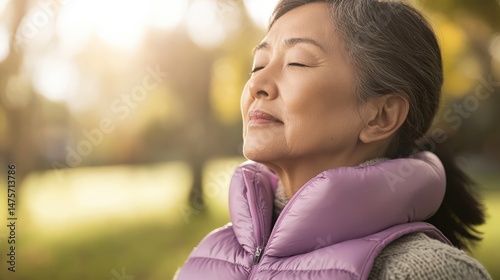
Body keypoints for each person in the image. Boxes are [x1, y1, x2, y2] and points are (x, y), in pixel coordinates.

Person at [176, 0, 492, 279]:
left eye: (296, 62)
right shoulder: (208, 256)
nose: (257, 82)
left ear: (381, 116)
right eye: (258, 64)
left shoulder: (425, 271)